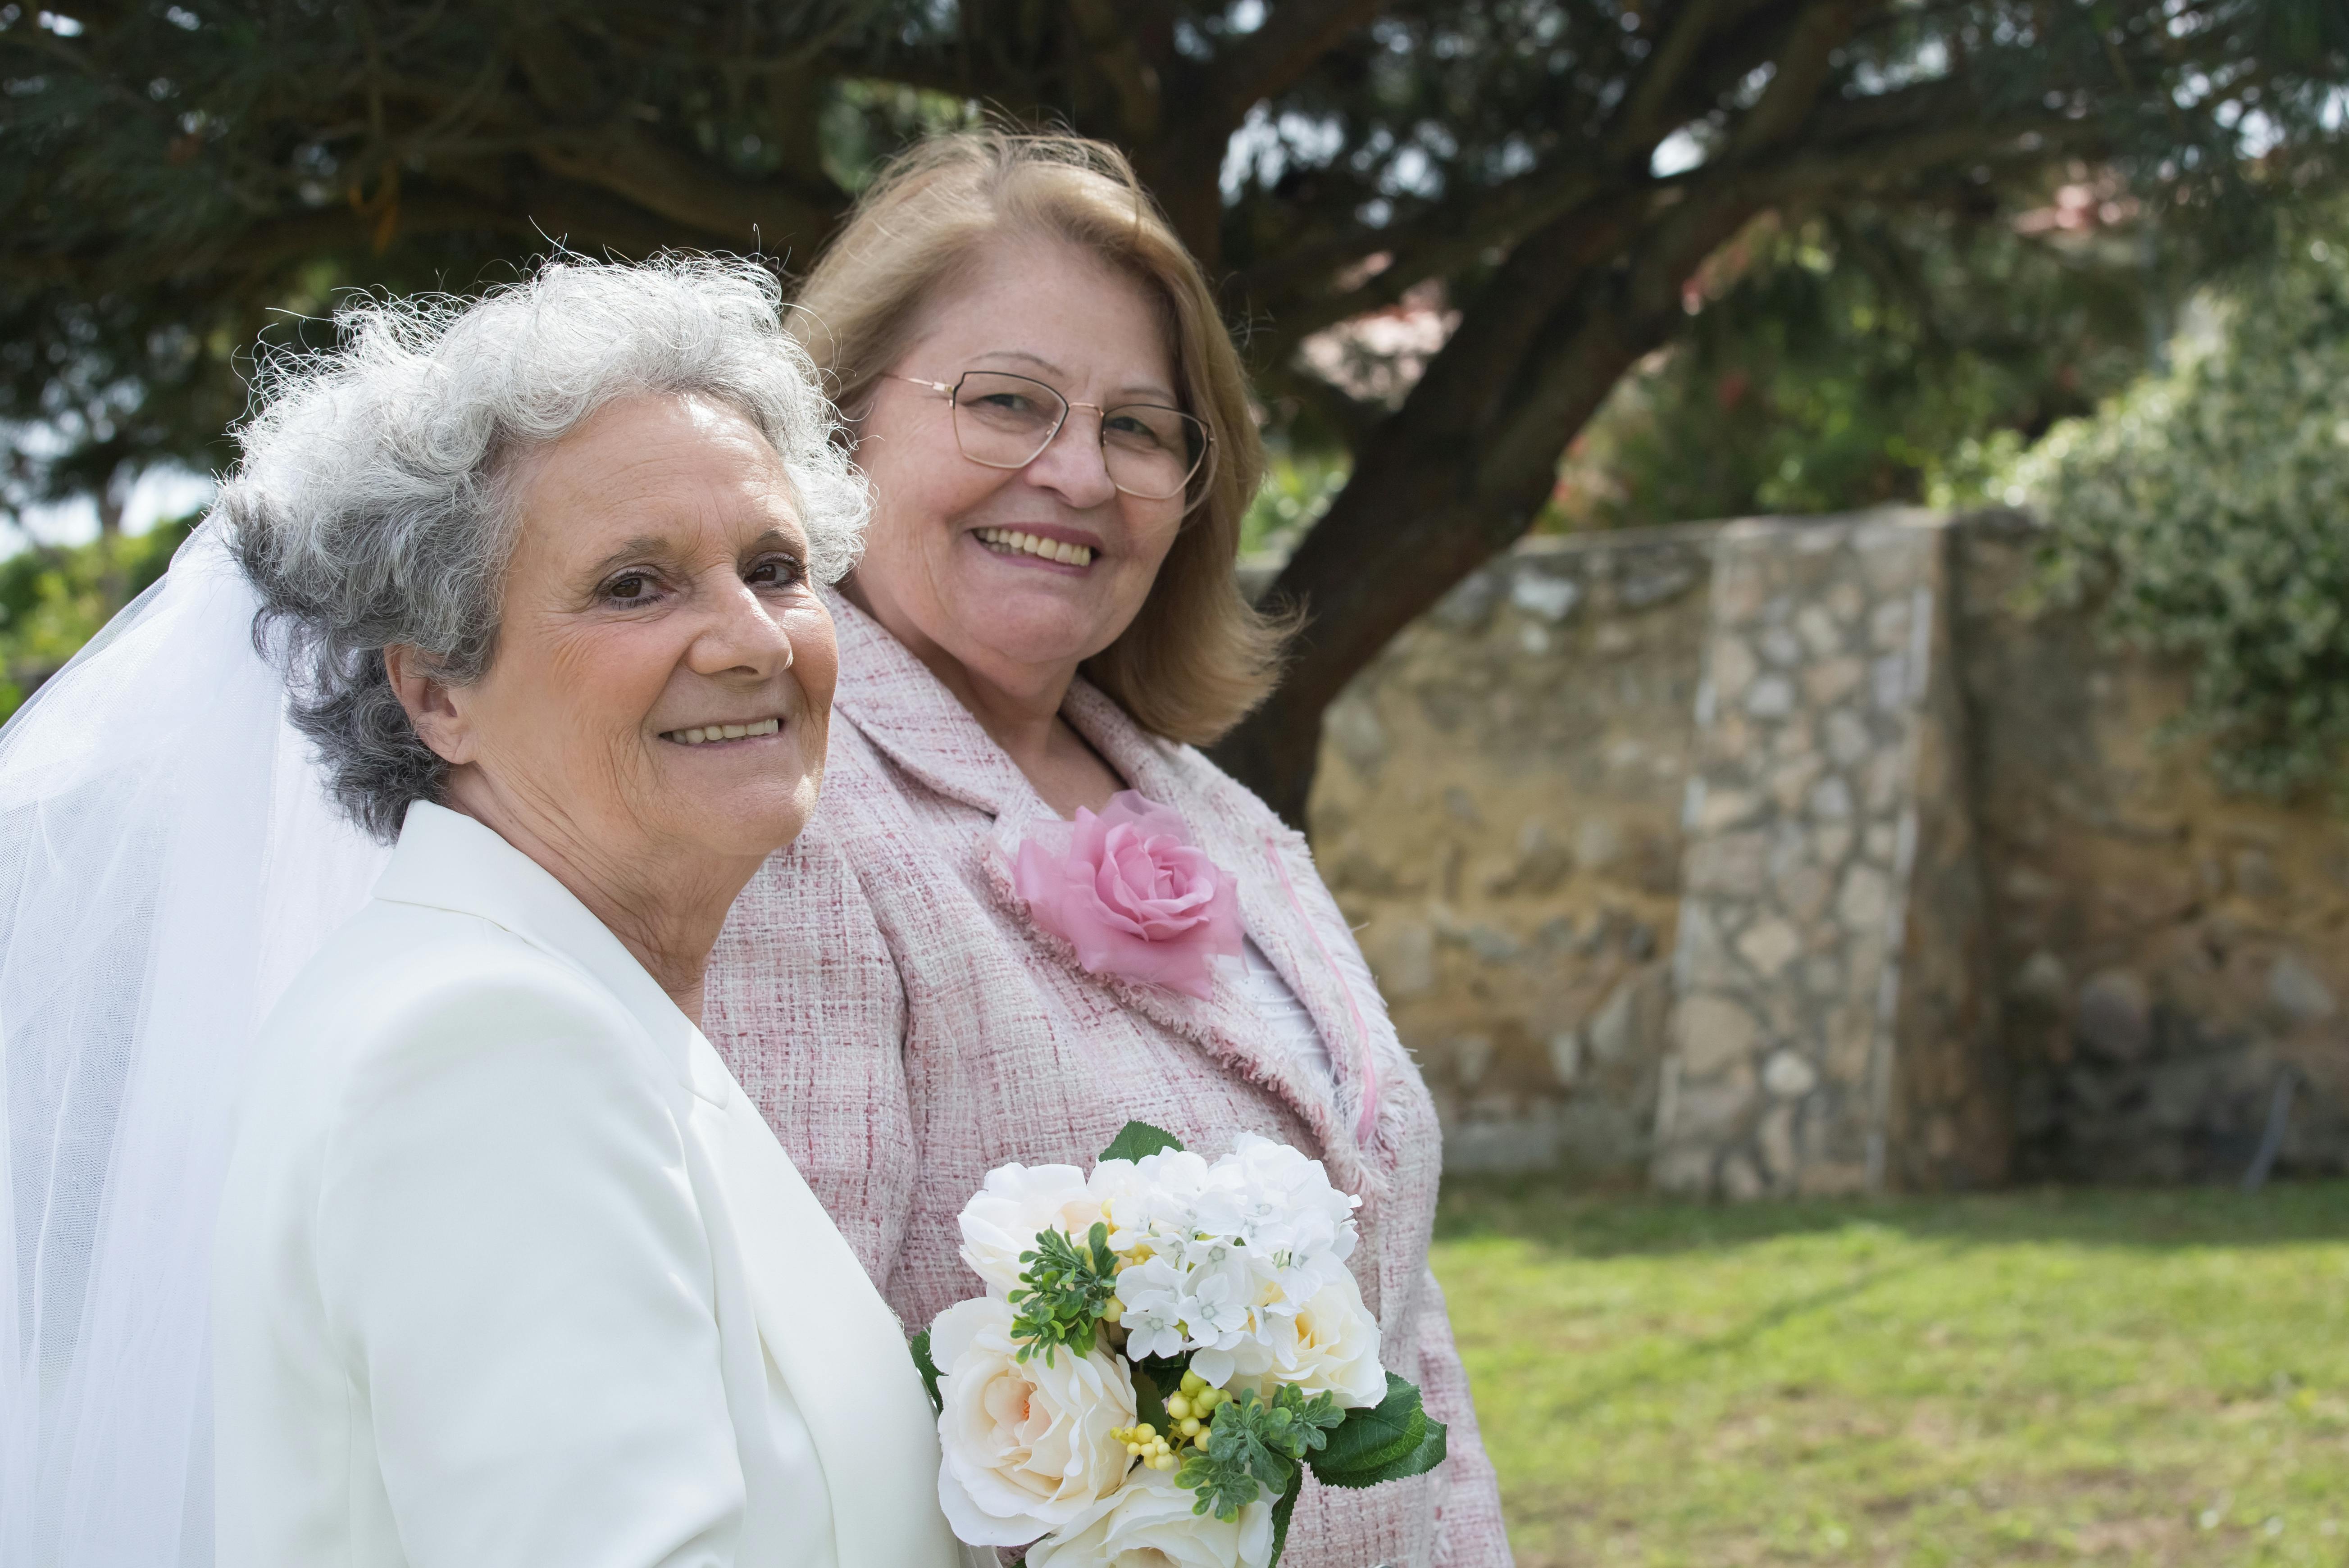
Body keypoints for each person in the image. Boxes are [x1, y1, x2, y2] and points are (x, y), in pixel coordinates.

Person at [0, 258, 959, 1566]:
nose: (752, 639)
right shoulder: (484, 1048)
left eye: (776, 565)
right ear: (436, 692)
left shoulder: (570, 1007)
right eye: (637, 583)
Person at [703, 133, 1514, 1567]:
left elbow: (1394, 1306)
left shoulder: (1218, 812)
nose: (1078, 472)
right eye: (1009, 401)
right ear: (829, 428)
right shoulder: (789, 824)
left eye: (1141, 428)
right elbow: (791, 1434)